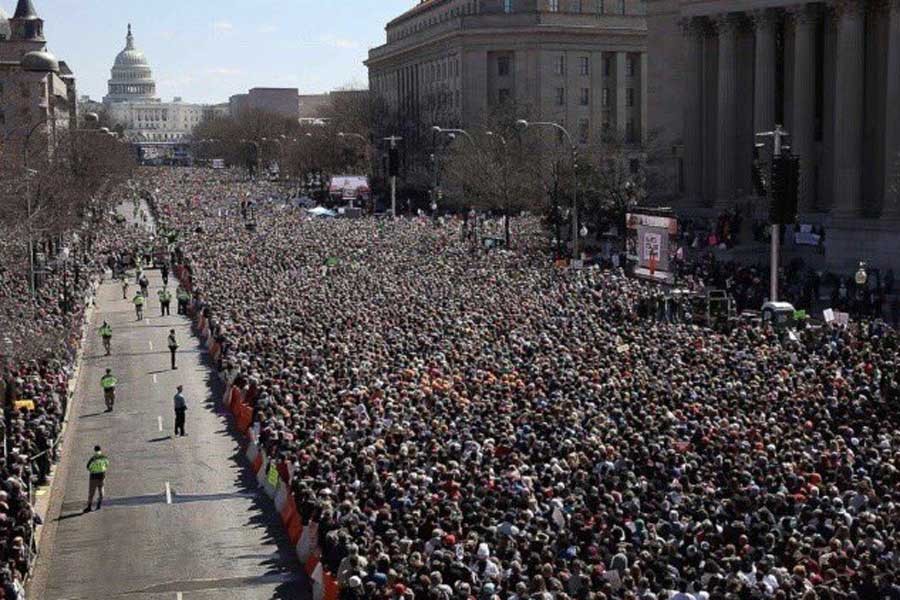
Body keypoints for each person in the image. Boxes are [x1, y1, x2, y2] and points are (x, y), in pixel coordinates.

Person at [84, 446, 109, 512]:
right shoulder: (104, 457)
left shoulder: (93, 458)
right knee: (101, 490)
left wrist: (92, 470)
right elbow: (107, 464)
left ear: (95, 450)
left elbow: (88, 467)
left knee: (91, 493)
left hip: (94, 477)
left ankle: (89, 507)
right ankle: (99, 504)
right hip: (102, 476)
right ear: (100, 450)